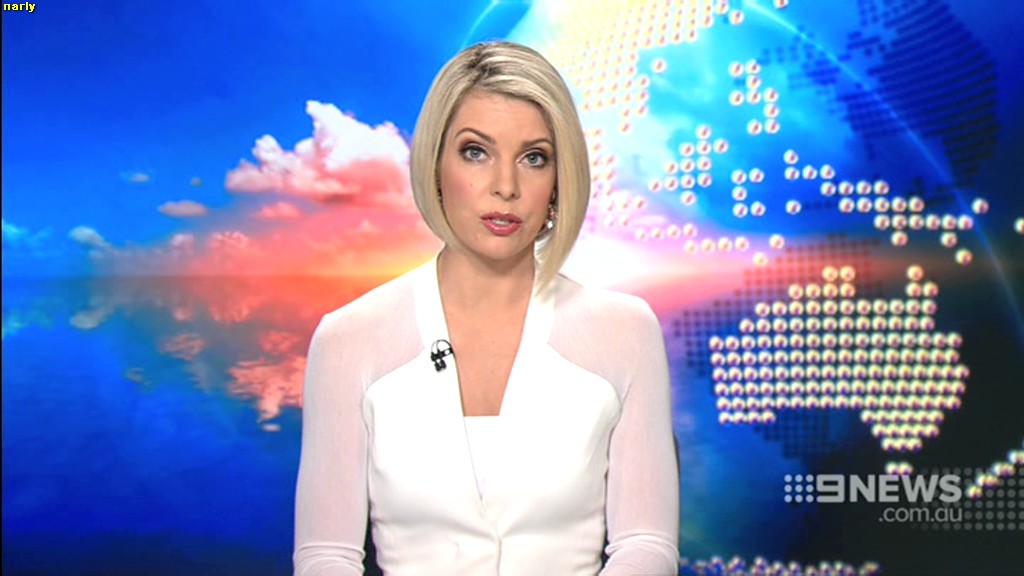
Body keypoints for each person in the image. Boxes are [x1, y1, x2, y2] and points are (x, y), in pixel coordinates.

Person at [293, 40, 679, 576]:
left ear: (559, 180)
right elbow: (326, 556)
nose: (505, 187)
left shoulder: (625, 332)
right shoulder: (347, 339)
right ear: (435, 164)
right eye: (476, 152)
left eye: (534, 158)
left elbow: (646, 544)